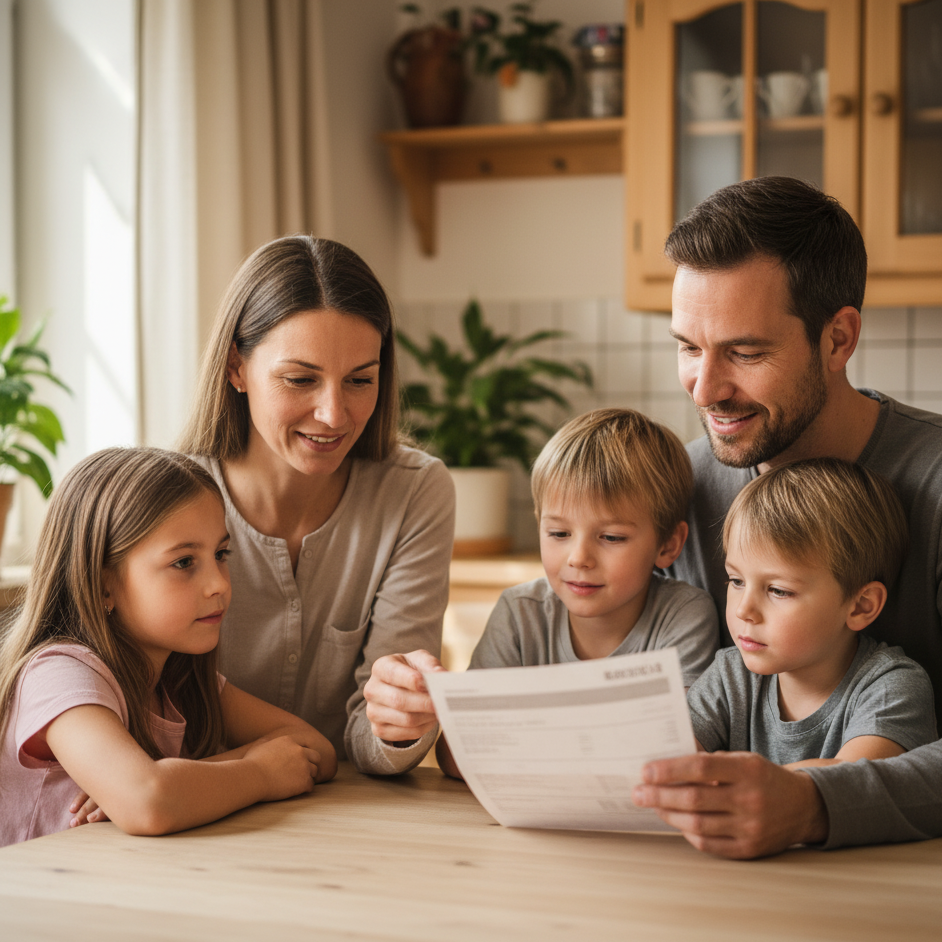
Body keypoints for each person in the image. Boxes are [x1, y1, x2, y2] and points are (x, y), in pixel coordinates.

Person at [630, 176, 942, 857]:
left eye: (745, 352)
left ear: (838, 339)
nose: (705, 389)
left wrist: (812, 803)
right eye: (688, 347)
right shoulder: (678, 487)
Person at [178, 236, 455, 776]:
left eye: (360, 380)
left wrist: (397, 723)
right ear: (236, 367)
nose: (334, 414)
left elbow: (374, 746)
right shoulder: (163, 501)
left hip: (344, 818)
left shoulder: (416, 492)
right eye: (300, 379)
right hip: (195, 814)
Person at [0, 447, 337, 848]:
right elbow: (149, 802)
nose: (219, 584)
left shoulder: (180, 681)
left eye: (221, 554)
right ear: (103, 581)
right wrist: (259, 773)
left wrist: (179, 780)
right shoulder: (58, 675)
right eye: (183, 563)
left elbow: (315, 750)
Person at [438, 408, 719, 778]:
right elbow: (456, 755)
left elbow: (676, 753)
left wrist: (526, 734)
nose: (579, 558)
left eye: (612, 537)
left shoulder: (685, 615)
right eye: (558, 534)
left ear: (668, 544)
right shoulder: (519, 613)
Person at [687, 457, 937, 766]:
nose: (743, 610)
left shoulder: (891, 686)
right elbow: (669, 758)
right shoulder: (729, 676)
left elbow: (847, 782)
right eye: (736, 581)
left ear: (861, 606)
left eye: (779, 590)